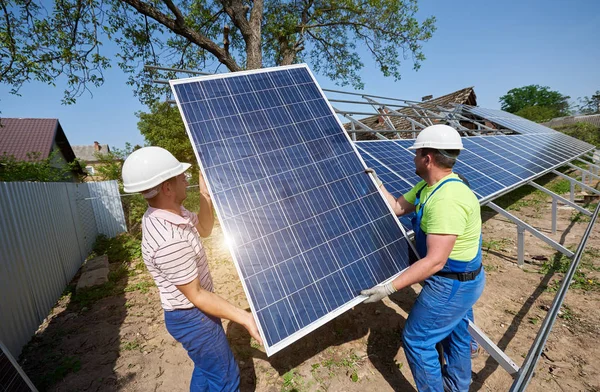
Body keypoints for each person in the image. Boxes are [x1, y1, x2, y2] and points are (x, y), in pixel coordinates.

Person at [121, 146, 262, 392]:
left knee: (206, 369)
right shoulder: (168, 239)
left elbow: (205, 229)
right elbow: (196, 295)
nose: (186, 180)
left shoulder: (172, 213)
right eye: (180, 176)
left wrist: (205, 196)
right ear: (167, 187)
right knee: (226, 379)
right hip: (192, 317)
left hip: (195, 313)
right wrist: (245, 317)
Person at [361, 124, 485, 392]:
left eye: (416, 154)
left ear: (427, 158)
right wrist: (378, 183)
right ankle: (458, 387)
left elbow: (435, 261)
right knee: (456, 334)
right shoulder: (428, 187)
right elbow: (396, 207)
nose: (413, 158)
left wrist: (389, 287)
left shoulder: (447, 200)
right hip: (460, 279)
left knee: (418, 340)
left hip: (452, 283)